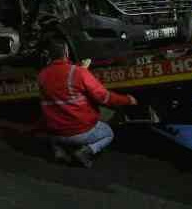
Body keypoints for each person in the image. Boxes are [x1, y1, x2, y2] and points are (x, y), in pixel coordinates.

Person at [38, 40, 137, 168]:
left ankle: (59, 151)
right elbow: (104, 97)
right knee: (108, 133)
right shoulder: (78, 73)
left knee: (54, 122)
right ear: (67, 53)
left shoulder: (42, 76)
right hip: (79, 132)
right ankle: (86, 152)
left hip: (56, 133)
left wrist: (80, 69)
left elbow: (61, 80)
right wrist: (128, 100)